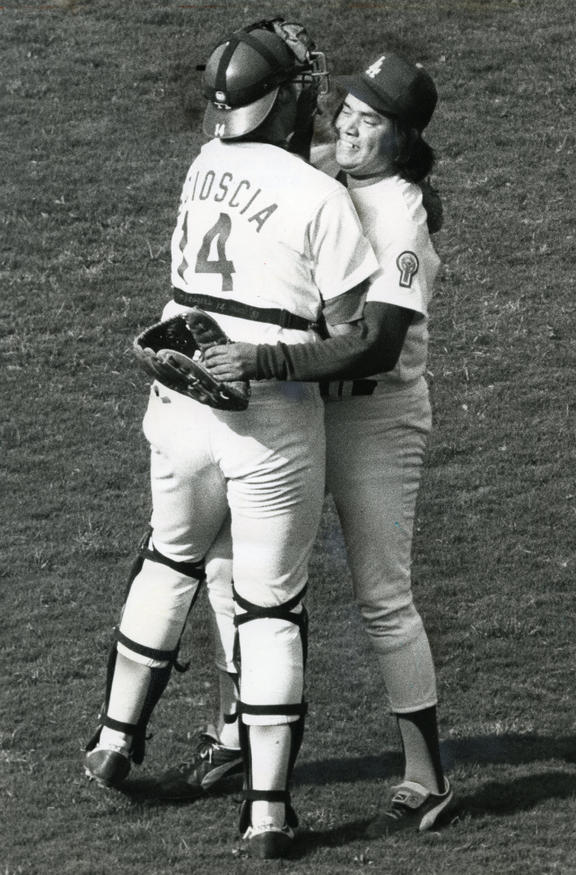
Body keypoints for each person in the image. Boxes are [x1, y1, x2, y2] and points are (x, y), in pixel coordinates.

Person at [83, 18, 379, 860]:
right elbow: (356, 340)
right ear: (282, 100)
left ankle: (114, 736)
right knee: (270, 604)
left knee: (170, 557)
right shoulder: (325, 200)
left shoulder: (205, 161)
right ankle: (268, 813)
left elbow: (268, 177)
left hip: (178, 407)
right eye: (301, 86)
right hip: (271, 418)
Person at [158, 52, 454, 839]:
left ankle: (427, 775)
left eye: (373, 120)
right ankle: (232, 731)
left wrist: (259, 359)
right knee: (230, 566)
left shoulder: (400, 215)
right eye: (347, 110)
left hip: (372, 420)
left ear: (405, 137)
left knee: (382, 595)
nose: (350, 127)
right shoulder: (330, 171)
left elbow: (375, 348)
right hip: (296, 411)